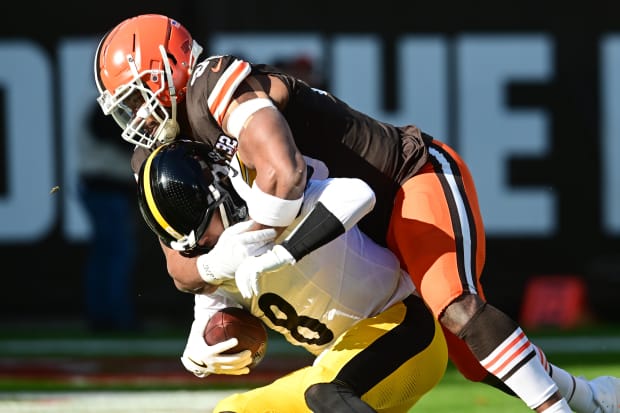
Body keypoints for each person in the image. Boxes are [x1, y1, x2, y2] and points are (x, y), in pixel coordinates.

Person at [94, 14, 620, 413]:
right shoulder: (156, 157)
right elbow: (179, 264)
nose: (135, 114)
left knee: (455, 309)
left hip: (405, 180)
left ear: (172, 70)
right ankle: (592, 398)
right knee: (470, 361)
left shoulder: (217, 84)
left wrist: (262, 250)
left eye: (138, 95)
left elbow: (286, 174)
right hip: (350, 223)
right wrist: (213, 289)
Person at [136, 139, 448, 412]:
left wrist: (283, 254)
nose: (202, 245)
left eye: (201, 230)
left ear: (219, 192)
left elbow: (358, 194)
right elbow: (211, 315)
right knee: (233, 410)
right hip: (341, 359)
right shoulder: (217, 260)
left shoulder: (276, 206)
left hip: (404, 330)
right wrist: (201, 351)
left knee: (327, 395)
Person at [77, 102, 139, 331]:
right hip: (105, 188)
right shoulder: (102, 109)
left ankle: (104, 315)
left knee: (107, 254)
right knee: (116, 254)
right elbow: (121, 140)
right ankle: (114, 317)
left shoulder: (102, 108)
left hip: (105, 188)